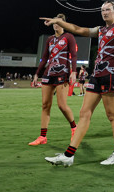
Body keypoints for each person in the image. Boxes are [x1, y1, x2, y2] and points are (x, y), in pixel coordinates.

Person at [42, 1, 114, 166]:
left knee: (113, 116)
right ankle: (69, 156)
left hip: (110, 75)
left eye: (108, 10)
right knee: (84, 113)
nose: (104, 12)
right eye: (102, 10)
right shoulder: (100, 30)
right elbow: (78, 29)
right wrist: (58, 22)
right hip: (96, 75)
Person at [28, 13, 78, 146]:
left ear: (63, 23)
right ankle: (42, 137)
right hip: (48, 74)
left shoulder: (69, 37)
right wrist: (37, 74)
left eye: (58, 21)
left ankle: (74, 128)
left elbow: (73, 55)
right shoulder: (50, 39)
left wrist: (74, 72)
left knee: (62, 105)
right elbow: (44, 58)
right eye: (54, 22)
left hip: (64, 73)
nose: (56, 24)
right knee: (45, 105)